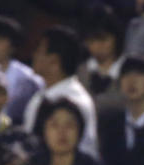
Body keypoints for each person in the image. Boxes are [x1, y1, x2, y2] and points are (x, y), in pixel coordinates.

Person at [24, 25, 99, 156]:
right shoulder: (41, 95)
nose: (33, 55)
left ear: (54, 61)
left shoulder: (75, 100)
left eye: (39, 51)